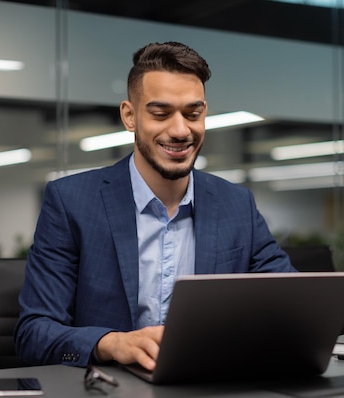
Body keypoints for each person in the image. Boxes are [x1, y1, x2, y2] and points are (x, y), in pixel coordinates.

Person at [15, 41, 296, 372]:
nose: (180, 130)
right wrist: (113, 344)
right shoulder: (72, 202)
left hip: (214, 390)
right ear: (130, 116)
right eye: (160, 113)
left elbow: (292, 307)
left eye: (193, 113)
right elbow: (33, 334)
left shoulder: (237, 204)